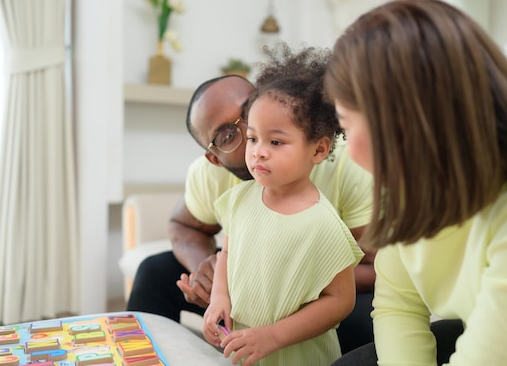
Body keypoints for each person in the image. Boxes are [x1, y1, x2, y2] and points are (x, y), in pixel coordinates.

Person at [324, 0, 507, 366]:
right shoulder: (413, 186)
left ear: (401, 121)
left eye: (345, 125)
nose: (346, 146)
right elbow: (398, 304)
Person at [126, 43, 377, 354]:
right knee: (154, 271)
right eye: (228, 135)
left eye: (248, 110)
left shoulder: (343, 166)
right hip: (248, 266)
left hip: (319, 282)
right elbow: (183, 226)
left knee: (367, 327)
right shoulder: (218, 181)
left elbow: (376, 267)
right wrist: (210, 275)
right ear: (214, 158)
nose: (250, 134)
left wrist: (285, 279)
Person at [203, 47, 365, 366]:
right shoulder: (240, 199)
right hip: (244, 347)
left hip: (295, 354)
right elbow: (227, 254)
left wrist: (274, 336)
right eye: (252, 138)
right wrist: (219, 296)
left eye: (275, 142)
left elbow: (340, 301)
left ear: (318, 150)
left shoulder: (322, 222)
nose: (258, 152)